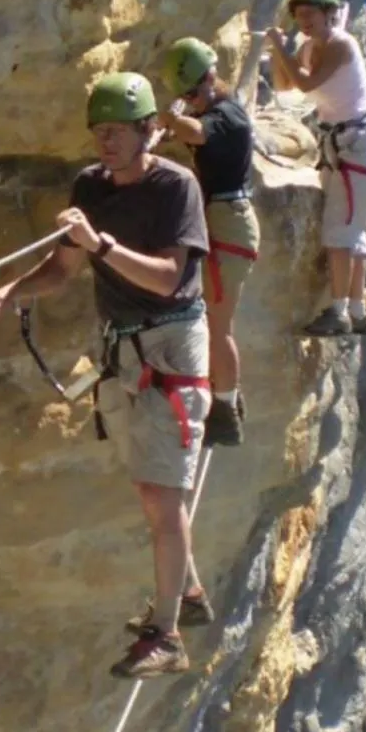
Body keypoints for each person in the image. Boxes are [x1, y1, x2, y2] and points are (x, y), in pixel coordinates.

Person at [0, 72, 213, 679]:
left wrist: (101, 245)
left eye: (116, 132)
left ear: (145, 132)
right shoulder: (90, 185)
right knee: (149, 488)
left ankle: (167, 637)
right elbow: (61, 269)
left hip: (171, 348)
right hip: (127, 350)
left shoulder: (176, 188)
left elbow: (168, 278)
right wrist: (14, 290)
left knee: (163, 496)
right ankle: (185, 595)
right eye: (98, 133)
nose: (104, 143)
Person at [265, 0, 366, 336]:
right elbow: (287, 87)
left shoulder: (341, 45)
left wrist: (280, 46)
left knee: (340, 232)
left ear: (330, 13)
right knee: (352, 231)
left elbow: (305, 83)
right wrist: (277, 53)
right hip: (342, 145)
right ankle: (356, 309)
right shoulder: (310, 47)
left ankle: (339, 313)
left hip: (356, 146)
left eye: (311, 15)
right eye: (300, 16)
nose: (305, 22)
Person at [157, 37, 260, 448]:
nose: (190, 101)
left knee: (217, 325)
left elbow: (198, 133)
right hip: (224, 221)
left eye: (189, 93)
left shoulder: (227, 116)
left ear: (202, 85)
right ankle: (228, 398)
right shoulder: (218, 110)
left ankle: (225, 410)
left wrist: (168, 118)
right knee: (212, 321)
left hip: (229, 224)